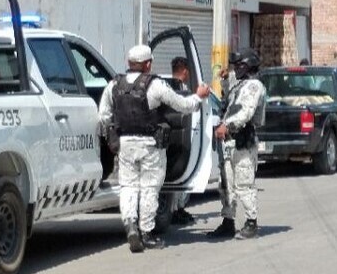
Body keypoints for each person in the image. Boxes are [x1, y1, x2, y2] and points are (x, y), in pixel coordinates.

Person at [98, 44, 210, 253]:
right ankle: (146, 233)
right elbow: (183, 106)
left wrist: (112, 136)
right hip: (150, 146)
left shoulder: (113, 85)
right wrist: (199, 96)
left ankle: (131, 226)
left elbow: (104, 115)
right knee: (149, 188)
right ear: (148, 64)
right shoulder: (155, 85)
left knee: (128, 187)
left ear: (129, 63)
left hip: (125, 145)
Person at [208, 48, 267, 240]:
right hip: (229, 142)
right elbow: (230, 96)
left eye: (238, 66)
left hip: (242, 140)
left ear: (248, 66)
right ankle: (228, 222)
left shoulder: (253, 86)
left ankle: (251, 222)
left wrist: (228, 125)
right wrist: (225, 79)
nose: (235, 70)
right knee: (226, 185)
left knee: (244, 183)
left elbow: (245, 113)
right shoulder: (240, 84)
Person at [168, 56, 196, 225]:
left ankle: (178, 208)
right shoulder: (180, 89)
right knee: (182, 174)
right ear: (185, 71)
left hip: (170, 137)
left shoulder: (165, 86)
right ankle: (176, 209)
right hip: (180, 137)